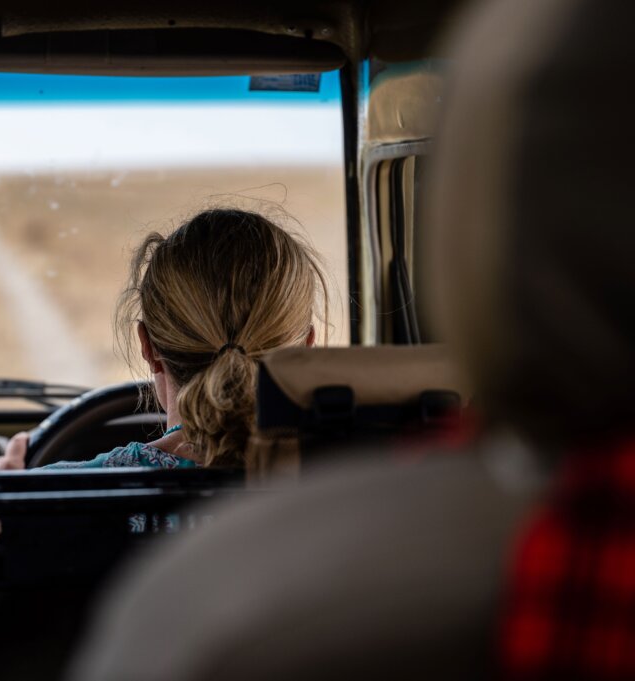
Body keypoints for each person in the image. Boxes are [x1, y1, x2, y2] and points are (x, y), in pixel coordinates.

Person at [62, 0, 635, 679]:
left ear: (150, 347)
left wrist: (13, 475)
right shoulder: (464, 516)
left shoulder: (115, 540)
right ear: (307, 341)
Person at [0, 208, 328, 471]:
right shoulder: (364, 488)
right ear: (306, 348)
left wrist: (0, 506)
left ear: (147, 346)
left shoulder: (45, 502)